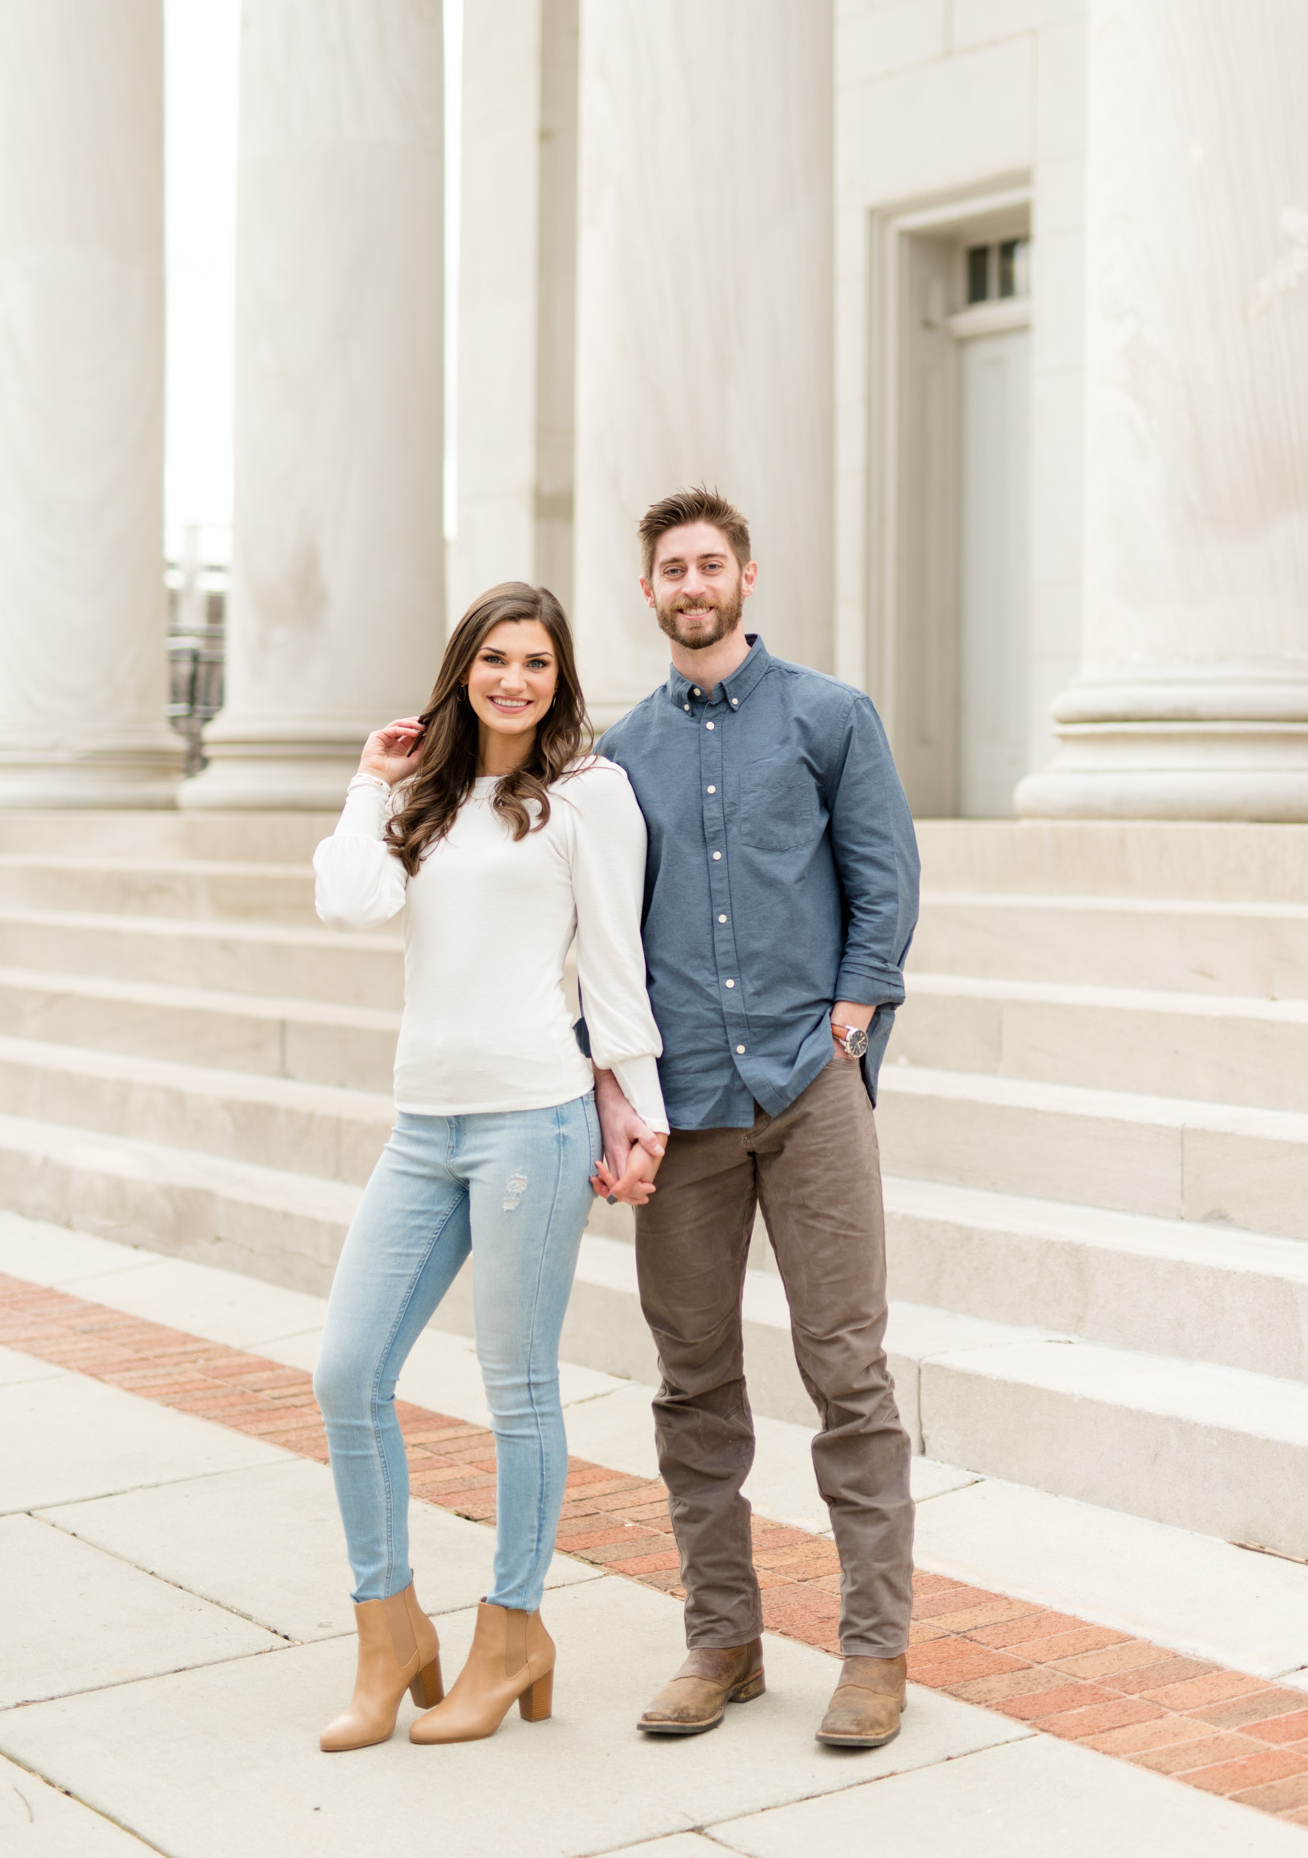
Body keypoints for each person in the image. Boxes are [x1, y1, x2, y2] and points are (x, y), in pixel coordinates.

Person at [311, 581, 667, 1751]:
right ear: (463, 666)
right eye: (494, 657)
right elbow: (348, 901)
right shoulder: (420, 794)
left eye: (537, 662)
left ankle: (512, 1631)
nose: (514, 678)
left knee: (518, 1389)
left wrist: (637, 1108)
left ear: (560, 679)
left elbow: (615, 964)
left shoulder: (585, 793)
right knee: (346, 1372)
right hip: (423, 1126)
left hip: (532, 1121)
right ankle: (388, 1630)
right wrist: (370, 782)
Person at [593, 486, 920, 1750]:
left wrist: (847, 1027)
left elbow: (879, 883)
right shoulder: (621, 753)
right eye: (670, 567)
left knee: (847, 1372)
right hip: (684, 1115)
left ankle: (874, 1651)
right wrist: (615, 1085)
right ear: (649, 591)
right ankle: (720, 1639)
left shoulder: (830, 715)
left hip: (807, 1090)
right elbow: (607, 936)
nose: (691, 581)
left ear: (744, 575)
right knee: (692, 1383)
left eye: (708, 562)